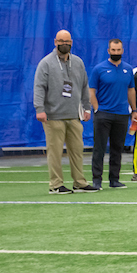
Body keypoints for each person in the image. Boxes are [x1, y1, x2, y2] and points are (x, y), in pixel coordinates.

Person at [33, 30, 97, 194]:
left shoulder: (78, 62)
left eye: (67, 41)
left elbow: (84, 86)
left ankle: (80, 182)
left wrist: (86, 107)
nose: (64, 44)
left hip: (74, 116)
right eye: (61, 41)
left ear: (72, 42)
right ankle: (55, 185)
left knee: (77, 151)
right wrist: (39, 109)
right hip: (53, 117)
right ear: (55, 42)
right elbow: (39, 87)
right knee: (54, 152)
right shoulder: (46, 63)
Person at [88, 39, 137, 188]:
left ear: (122, 51)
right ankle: (97, 180)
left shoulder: (128, 70)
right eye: (113, 50)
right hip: (103, 114)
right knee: (99, 148)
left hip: (122, 115)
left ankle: (114, 179)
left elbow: (131, 90)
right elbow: (91, 90)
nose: (116, 53)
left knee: (117, 148)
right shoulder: (99, 69)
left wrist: (134, 111)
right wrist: (96, 108)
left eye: (118, 50)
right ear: (108, 51)